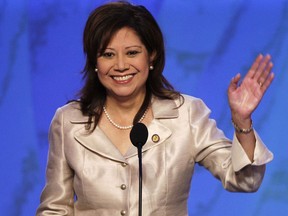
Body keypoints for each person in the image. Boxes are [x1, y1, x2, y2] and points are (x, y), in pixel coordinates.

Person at [36, 1, 274, 216]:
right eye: (108, 54)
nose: (120, 65)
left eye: (132, 53)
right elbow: (54, 209)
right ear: (94, 62)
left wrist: (242, 121)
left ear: (151, 56)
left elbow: (245, 180)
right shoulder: (69, 121)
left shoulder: (186, 114)